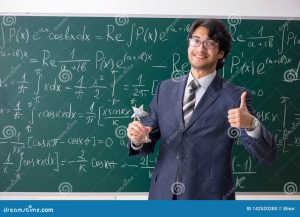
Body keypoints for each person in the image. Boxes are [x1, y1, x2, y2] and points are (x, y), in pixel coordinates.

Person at [127, 19, 276, 200]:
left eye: (209, 43)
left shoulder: (235, 97)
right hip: (162, 195)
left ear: (221, 53)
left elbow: (267, 156)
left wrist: (251, 124)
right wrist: (138, 139)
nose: (200, 48)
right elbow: (146, 138)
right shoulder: (165, 89)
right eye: (195, 40)